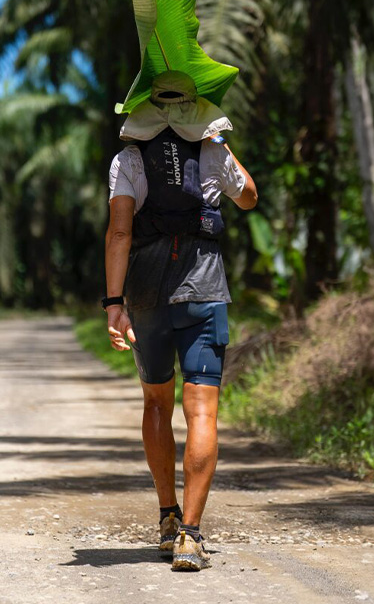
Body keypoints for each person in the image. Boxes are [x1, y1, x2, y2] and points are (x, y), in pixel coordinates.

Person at [103, 75, 258, 571]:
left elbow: (120, 233)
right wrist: (219, 143)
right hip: (204, 288)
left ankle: (168, 516)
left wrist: (114, 303)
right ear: (196, 107)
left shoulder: (128, 160)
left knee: (156, 401)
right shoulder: (214, 152)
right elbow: (249, 197)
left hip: (147, 292)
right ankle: (191, 536)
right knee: (202, 411)